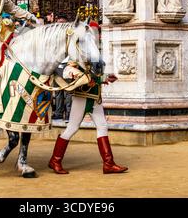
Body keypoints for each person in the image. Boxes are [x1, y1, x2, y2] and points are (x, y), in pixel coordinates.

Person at [48, 22, 128, 174]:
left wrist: (105, 78)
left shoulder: (92, 50)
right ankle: (55, 160)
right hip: (83, 96)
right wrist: (80, 75)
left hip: (94, 96)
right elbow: (66, 69)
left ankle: (108, 163)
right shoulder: (77, 50)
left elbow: (94, 73)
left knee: (102, 126)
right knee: (72, 128)